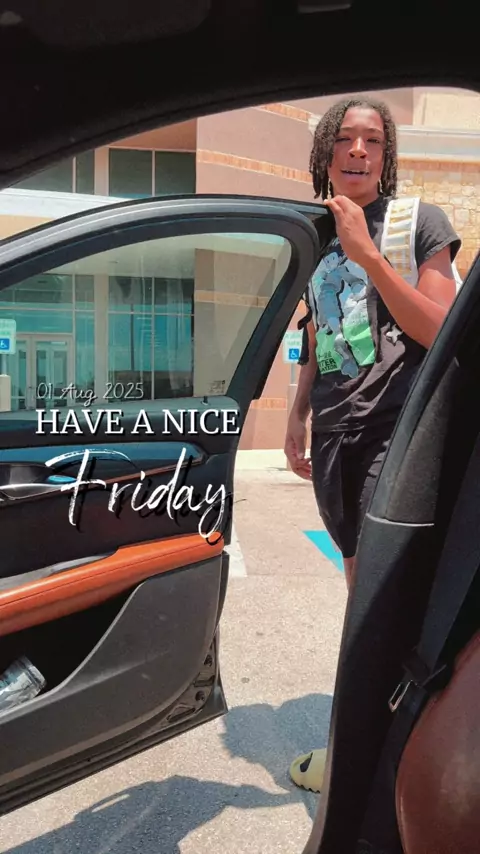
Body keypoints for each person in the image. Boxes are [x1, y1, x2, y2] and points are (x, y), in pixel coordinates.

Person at [284, 96, 461, 793]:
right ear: (325, 150)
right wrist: (296, 414)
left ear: (386, 156)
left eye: (374, 141)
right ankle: (378, 743)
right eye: (345, 139)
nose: (358, 151)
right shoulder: (312, 231)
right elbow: (317, 332)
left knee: (378, 598)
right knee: (362, 589)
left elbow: (439, 329)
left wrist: (368, 256)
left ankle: (363, 756)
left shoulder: (417, 222)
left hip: (395, 428)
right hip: (334, 433)